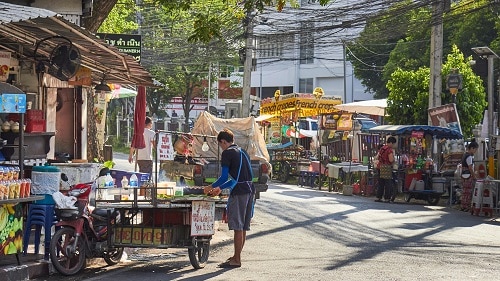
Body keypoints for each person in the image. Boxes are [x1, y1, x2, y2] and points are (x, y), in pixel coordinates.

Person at [203, 128, 255, 268]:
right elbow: (240, 175)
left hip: (239, 192)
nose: (221, 147)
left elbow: (225, 176)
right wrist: (220, 188)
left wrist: (211, 186)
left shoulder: (228, 153)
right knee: (243, 226)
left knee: (238, 227)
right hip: (250, 190)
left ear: (224, 141)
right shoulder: (243, 152)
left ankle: (237, 259)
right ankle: (236, 256)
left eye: (221, 145)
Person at [375, 136, 396, 203]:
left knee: (381, 183)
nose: (393, 145)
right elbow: (391, 159)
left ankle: (379, 197)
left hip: (380, 167)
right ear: (391, 143)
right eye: (393, 144)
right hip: (386, 167)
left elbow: (377, 157)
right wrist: (393, 161)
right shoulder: (389, 150)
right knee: (387, 183)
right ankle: (387, 198)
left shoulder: (382, 148)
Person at [460, 139, 478, 212]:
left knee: (464, 191)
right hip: (468, 176)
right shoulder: (469, 157)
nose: (475, 151)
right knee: (468, 191)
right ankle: (467, 206)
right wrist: (474, 176)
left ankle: (463, 206)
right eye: (475, 149)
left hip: (463, 175)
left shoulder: (464, 155)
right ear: (472, 148)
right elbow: (470, 168)